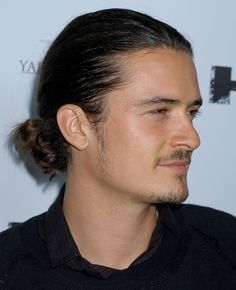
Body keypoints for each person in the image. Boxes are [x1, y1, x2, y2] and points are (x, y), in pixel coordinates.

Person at [0, 8, 235, 290]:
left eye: (191, 113)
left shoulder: (226, 247)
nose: (192, 139)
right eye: (159, 111)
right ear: (76, 126)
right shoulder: (8, 270)